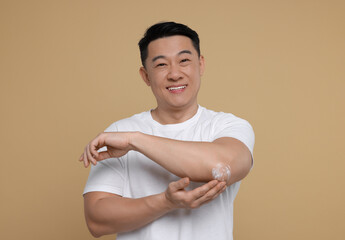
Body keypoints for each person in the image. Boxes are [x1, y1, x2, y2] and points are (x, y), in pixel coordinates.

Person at [79, 21, 255, 240]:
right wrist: (165, 202)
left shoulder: (228, 126)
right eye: (161, 65)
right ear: (146, 76)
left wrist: (136, 141)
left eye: (184, 61)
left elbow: (221, 166)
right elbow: (96, 220)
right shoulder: (119, 131)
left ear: (200, 64)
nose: (175, 74)